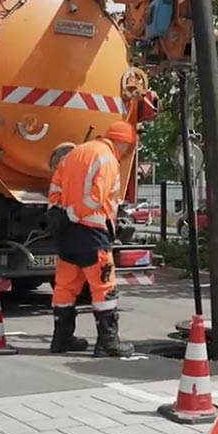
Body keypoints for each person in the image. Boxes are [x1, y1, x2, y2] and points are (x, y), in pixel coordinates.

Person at [46, 121, 136, 357]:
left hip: (67, 235)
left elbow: (55, 185)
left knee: (65, 287)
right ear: (122, 141)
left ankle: (61, 339)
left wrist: (57, 211)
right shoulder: (107, 159)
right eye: (128, 147)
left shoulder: (74, 153)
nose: (127, 152)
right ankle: (107, 343)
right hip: (92, 233)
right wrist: (72, 214)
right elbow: (96, 199)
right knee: (103, 286)